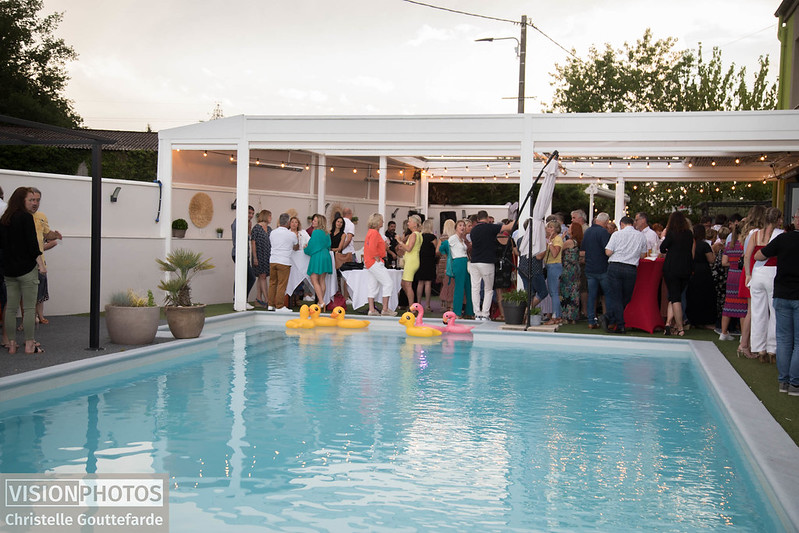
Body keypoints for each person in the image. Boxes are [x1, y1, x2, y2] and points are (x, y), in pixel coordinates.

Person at [755, 224, 799, 395]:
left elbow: (759, 255)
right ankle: (794, 383)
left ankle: (784, 381)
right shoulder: (783, 238)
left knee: (784, 339)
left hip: (782, 293)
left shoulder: (783, 239)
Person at [0, 187, 44, 354]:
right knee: (29, 308)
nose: (34, 203)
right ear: (22, 200)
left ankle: (11, 343)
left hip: (9, 271)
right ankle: (29, 344)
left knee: (11, 308)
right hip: (26, 269)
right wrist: (41, 265)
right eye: (30, 200)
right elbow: (33, 246)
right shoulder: (26, 218)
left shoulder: (4, 219)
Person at [745, 207, 783, 363]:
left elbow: (747, 255)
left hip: (757, 274)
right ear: (778, 220)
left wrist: (748, 274)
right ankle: (772, 349)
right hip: (773, 273)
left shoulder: (755, 234)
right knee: (774, 312)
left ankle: (760, 349)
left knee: (758, 312)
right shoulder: (781, 234)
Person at [468, 210, 515, 321]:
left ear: (478, 219)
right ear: (488, 218)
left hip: (474, 262)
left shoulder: (473, 230)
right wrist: (515, 219)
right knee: (488, 289)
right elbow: (508, 227)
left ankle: (477, 313)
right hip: (487, 262)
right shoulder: (491, 227)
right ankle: (485, 314)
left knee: (475, 288)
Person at [603, 216, 647, 334]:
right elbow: (643, 255)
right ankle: (615, 320)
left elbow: (608, 252)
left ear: (622, 224)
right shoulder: (641, 236)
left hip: (615, 266)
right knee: (626, 297)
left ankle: (613, 319)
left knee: (616, 296)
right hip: (630, 268)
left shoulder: (617, 234)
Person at [27, 188, 62, 326]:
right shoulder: (20, 216)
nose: (35, 203)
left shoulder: (41, 216)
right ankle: (27, 321)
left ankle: (39, 317)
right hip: (23, 264)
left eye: (38, 200)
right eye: (32, 200)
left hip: (40, 263)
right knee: (25, 295)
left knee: (40, 292)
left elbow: (48, 234)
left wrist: (55, 235)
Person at [660, 211, 694, 336]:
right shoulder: (689, 234)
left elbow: (662, 248)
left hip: (672, 268)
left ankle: (679, 328)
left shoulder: (671, 234)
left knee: (675, 298)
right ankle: (668, 323)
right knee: (674, 296)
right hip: (686, 268)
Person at [363, 213, 397, 316]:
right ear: (377, 222)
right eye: (381, 220)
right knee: (388, 283)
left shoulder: (370, 232)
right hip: (375, 262)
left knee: (372, 285)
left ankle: (372, 310)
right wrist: (376, 256)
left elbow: (370, 246)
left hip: (370, 262)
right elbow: (372, 247)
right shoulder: (374, 233)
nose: (383, 222)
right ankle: (385, 309)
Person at [719, 223, 747, 345]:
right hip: (742, 275)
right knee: (743, 306)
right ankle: (743, 334)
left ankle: (723, 332)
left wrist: (733, 264)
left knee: (728, 303)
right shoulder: (744, 245)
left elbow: (724, 262)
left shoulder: (730, 245)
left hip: (731, 275)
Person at [583, 213, 611, 329]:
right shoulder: (604, 233)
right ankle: (609, 320)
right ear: (606, 222)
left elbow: (583, 249)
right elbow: (608, 250)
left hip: (590, 268)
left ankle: (591, 320)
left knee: (592, 296)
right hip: (603, 268)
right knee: (608, 295)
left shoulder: (588, 231)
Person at [685, 224, 716, 328]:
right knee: (705, 296)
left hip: (692, 270)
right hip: (704, 271)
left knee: (693, 295)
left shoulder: (690, 244)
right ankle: (705, 321)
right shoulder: (704, 245)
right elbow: (711, 259)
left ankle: (693, 320)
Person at [516, 219, 548, 312]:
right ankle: (527, 310)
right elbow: (539, 256)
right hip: (534, 269)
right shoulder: (538, 240)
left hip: (522, 268)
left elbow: (519, 253)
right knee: (543, 292)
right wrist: (546, 246)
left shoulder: (520, 240)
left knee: (529, 293)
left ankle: (527, 313)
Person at [268, 213, 297, 313]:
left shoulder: (273, 232)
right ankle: (279, 306)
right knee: (281, 284)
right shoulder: (291, 234)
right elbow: (296, 245)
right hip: (284, 261)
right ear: (288, 222)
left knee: (272, 283)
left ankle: (270, 304)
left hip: (273, 260)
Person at [304, 214, 332, 307]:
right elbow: (329, 245)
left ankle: (321, 301)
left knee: (314, 279)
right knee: (322, 280)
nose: (313, 222)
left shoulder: (316, 232)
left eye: (315, 221)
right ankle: (320, 302)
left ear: (319, 222)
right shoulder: (326, 233)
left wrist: (305, 249)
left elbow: (311, 247)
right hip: (326, 255)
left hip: (317, 256)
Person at [231, 205, 256, 309]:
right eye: (249, 213)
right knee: (248, 277)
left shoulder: (245, 223)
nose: (251, 215)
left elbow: (247, 238)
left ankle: (240, 300)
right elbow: (238, 239)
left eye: (252, 214)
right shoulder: (238, 222)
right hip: (239, 254)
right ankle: (239, 300)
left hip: (245, 254)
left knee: (245, 277)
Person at [448, 220, 474, 318]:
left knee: (468, 287)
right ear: (456, 227)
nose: (462, 227)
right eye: (460, 225)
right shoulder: (453, 238)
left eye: (463, 225)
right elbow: (445, 248)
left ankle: (469, 312)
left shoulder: (462, 239)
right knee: (459, 287)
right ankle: (457, 312)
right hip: (458, 262)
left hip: (465, 262)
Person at [397, 215, 422, 308]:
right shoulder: (418, 234)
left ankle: (412, 308)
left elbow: (409, 248)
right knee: (403, 284)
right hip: (412, 260)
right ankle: (411, 304)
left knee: (407, 285)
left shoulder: (414, 235)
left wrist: (400, 241)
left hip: (411, 261)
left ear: (415, 224)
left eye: (409, 221)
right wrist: (403, 246)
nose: (408, 223)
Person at [493, 222, 517, 321]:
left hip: (497, 267)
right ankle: (508, 313)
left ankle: (502, 314)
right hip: (507, 266)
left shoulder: (494, 240)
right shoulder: (510, 239)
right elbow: (516, 252)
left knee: (499, 292)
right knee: (507, 291)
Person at [560, 222, 583, 324]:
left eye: (570, 228)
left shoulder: (569, 242)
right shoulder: (576, 241)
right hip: (575, 269)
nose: (568, 228)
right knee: (574, 291)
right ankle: (573, 316)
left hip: (568, 269)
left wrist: (561, 238)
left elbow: (559, 248)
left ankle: (567, 315)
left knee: (566, 291)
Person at [543, 220, 564, 325]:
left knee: (554, 292)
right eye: (548, 227)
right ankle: (557, 315)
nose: (549, 229)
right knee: (553, 292)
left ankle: (556, 316)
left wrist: (550, 243)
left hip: (554, 265)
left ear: (556, 229)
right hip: (549, 265)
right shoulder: (551, 239)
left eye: (551, 227)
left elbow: (555, 253)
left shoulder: (557, 239)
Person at [414, 218, 438, 312]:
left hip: (420, 260)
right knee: (428, 283)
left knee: (420, 283)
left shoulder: (419, 236)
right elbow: (436, 250)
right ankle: (427, 305)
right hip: (430, 261)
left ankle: (418, 304)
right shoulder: (432, 237)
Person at [251, 209, 272, 307]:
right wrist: (255, 257)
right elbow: (253, 243)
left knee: (262, 277)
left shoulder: (269, 229)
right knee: (262, 276)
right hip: (259, 255)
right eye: (269, 216)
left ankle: (258, 298)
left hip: (267, 255)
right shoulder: (256, 228)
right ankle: (267, 299)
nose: (271, 218)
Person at [436, 219, 456, 312]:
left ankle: (443, 303)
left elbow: (437, 251)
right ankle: (451, 303)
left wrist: (443, 253)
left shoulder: (443, 237)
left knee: (443, 283)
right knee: (452, 283)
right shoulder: (455, 237)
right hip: (453, 261)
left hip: (443, 261)